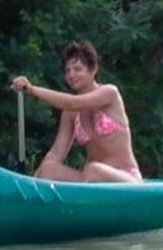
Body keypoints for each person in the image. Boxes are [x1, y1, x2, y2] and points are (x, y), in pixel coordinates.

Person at [11, 40, 143, 182]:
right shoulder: (70, 114)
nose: (71, 75)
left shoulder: (109, 93)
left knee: (93, 169)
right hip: (90, 180)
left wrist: (31, 89)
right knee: (49, 168)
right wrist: (32, 182)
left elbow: (72, 103)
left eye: (78, 69)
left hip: (125, 178)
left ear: (93, 70)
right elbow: (55, 154)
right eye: (68, 71)